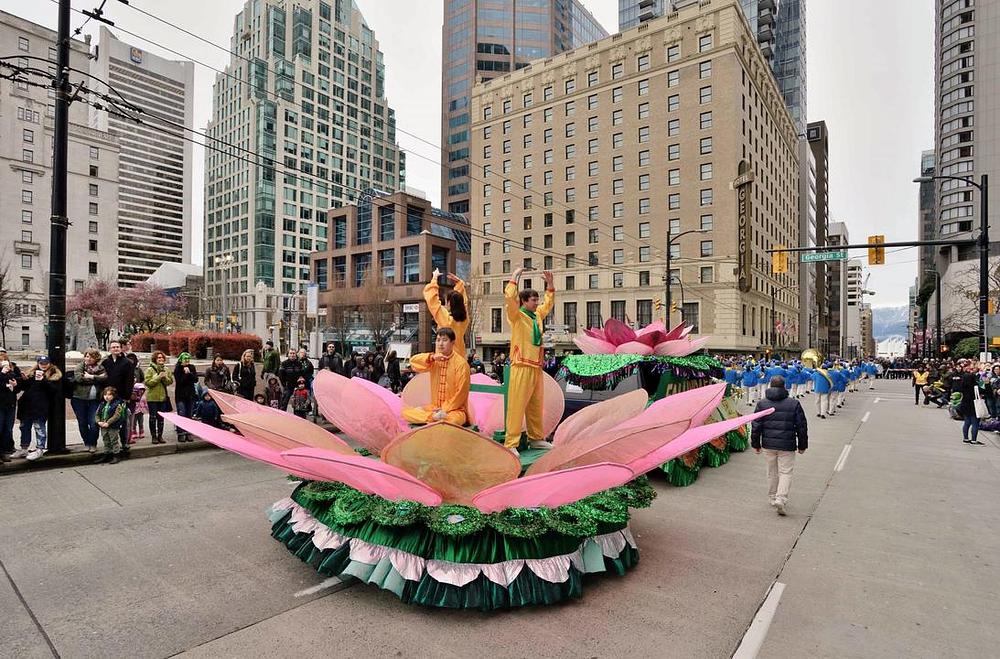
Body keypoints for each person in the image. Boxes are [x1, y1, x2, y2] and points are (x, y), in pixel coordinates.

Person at [502, 267, 555, 454]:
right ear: (524, 301)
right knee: (517, 406)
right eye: (533, 300)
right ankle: (511, 443)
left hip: (535, 366)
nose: (536, 303)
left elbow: (548, 305)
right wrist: (514, 277)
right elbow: (509, 298)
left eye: (536, 300)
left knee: (535, 405)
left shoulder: (537, 315)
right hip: (521, 364)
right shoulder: (516, 316)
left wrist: (550, 286)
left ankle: (536, 438)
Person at [751, 375, 808, 516]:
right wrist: (802, 445)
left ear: (770, 386)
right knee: (785, 472)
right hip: (787, 444)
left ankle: (772, 496)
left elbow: (756, 426)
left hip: (768, 444)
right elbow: (801, 426)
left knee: (771, 471)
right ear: (784, 386)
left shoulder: (762, 403)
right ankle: (781, 498)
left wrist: (755, 443)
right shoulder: (793, 403)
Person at [402, 328, 471, 426]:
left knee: (452, 421)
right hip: (434, 408)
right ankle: (433, 418)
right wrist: (432, 357)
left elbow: (461, 393)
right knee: (406, 413)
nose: (440, 343)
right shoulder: (434, 359)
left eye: (444, 340)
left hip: (454, 410)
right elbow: (413, 362)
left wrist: (445, 409)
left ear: (452, 343)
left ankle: (433, 418)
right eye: (438, 340)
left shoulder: (461, 364)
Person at [15, 356, 62, 460]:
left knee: (39, 428)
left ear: (49, 363)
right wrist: (22, 380)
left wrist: (43, 380)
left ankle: (40, 449)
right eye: (41, 363)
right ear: (38, 363)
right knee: (24, 427)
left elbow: (54, 391)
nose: (43, 365)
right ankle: (24, 448)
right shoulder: (32, 373)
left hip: (41, 407)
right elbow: (25, 387)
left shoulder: (55, 375)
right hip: (27, 406)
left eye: (46, 363)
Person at [424, 270, 470, 357]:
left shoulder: (446, 319)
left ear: (449, 303)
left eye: (445, 302)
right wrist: (460, 284)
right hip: (460, 357)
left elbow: (432, 301)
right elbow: (462, 302)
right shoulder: (464, 318)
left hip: (445, 358)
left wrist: (434, 278)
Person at [71, 348, 108, 453]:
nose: (88, 359)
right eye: (87, 356)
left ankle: (93, 443)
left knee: (93, 423)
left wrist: (90, 376)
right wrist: (96, 379)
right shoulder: (80, 366)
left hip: (95, 401)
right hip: (79, 399)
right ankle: (86, 442)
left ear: (96, 358)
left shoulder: (101, 367)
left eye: (91, 357)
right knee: (82, 422)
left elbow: (105, 378)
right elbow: (79, 379)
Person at [102, 340, 135, 457]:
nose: (115, 349)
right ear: (109, 349)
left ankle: (125, 444)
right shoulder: (106, 362)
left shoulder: (127, 363)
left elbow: (129, 381)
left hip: (121, 397)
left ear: (121, 348)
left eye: (117, 347)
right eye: (113, 347)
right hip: (108, 396)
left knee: (123, 421)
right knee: (109, 420)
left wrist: (126, 397)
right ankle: (111, 446)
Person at [144, 351, 173, 444]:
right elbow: (148, 383)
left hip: (163, 397)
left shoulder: (167, 369)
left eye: (162, 358)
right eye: (158, 358)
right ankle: (154, 436)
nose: (161, 359)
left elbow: (170, 382)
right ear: (155, 359)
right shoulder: (150, 369)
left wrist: (164, 378)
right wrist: (158, 377)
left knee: (161, 418)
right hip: (152, 398)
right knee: (153, 417)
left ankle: (160, 436)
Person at [93, 386, 126, 464]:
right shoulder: (102, 404)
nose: (106, 397)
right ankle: (107, 454)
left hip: (113, 426)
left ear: (113, 396)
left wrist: (108, 422)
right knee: (106, 440)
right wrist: (98, 422)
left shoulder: (117, 404)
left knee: (114, 440)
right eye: (105, 395)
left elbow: (117, 415)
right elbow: (97, 414)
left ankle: (116, 455)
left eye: (109, 395)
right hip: (103, 425)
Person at [0, 348, 23, 462]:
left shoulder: (13, 369)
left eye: (4, 357)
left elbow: (18, 385)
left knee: (8, 428)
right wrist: (2, 373)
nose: (3, 359)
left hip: (10, 403)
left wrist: (16, 384)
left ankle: (6, 450)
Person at [958, 362, 987, 446]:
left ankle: (965, 438)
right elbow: (984, 390)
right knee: (975, 423)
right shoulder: (976, 386)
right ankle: (974, 439)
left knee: (967, 422)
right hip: (974, 405)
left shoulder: (963, 385)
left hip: (965, 404)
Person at [173, 353, 199, 443]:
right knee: (182, 413)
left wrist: (189, 373)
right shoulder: (178, 368)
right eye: (185, 359)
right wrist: (185, 374)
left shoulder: (192, 367)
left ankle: (188, 432)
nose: (187, 360)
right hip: (180, 395)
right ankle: (181, 433)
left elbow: (196, 379)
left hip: (190, 395)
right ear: (181, 359)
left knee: (189, 414)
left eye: (188, 358)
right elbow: (180, 382)